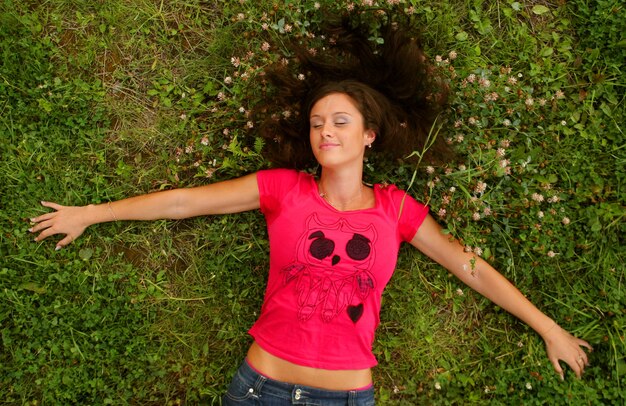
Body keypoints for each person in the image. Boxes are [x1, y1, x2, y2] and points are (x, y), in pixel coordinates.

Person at [29, 16, 591, 405]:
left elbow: (468, 267)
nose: (325, 131)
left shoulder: (397, 211)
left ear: (369, 135)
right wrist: (92, 212)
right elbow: (183, 203)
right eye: (318, 122)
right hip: (259, 389)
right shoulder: (284, 190)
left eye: (340, 121)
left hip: (347, 396)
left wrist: (549, 329)